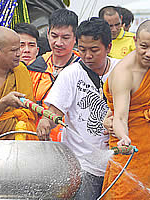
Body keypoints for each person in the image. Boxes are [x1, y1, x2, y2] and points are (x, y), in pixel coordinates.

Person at [36, 17, 120, 200]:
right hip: (83, 165)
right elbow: (54, 112)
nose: (87, 55)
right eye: (82, 50)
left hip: (117, 163)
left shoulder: (121, 70)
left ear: (109, 47)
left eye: (94, 50)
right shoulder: (70, 74)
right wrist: (45, 121)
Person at [101, 20, 150, 199]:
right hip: (130, 149)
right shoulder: (124, 73)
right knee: (124, 193)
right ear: (135, 41)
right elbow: (119, 117)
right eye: (144, 46)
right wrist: (124, 138)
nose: (149, 53)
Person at [27, 8, 80, 141]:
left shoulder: (82, 69)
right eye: (54, 36)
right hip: (36, 139)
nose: (58, 43)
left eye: (65, 37)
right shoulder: (36, 67)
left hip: (70, 142)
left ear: (76, 38)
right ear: (48, 33)